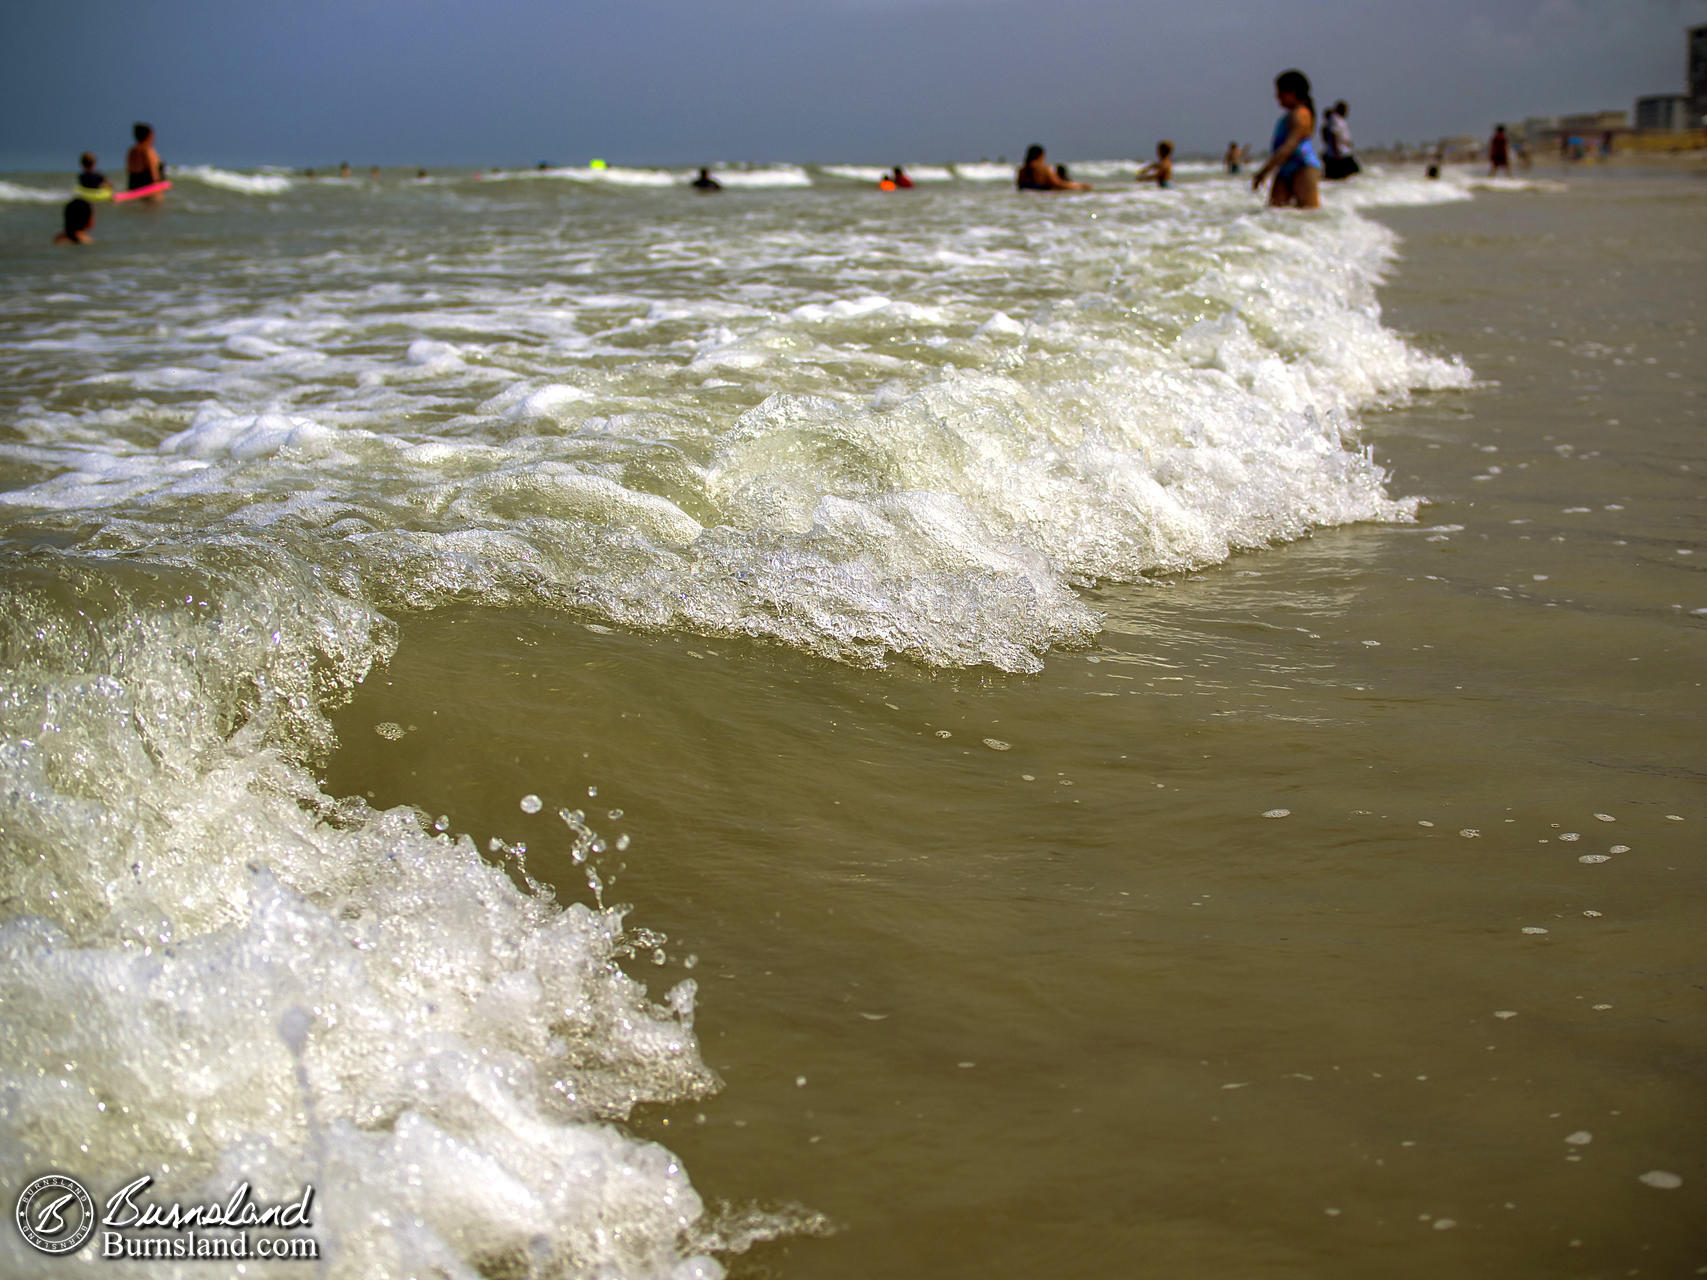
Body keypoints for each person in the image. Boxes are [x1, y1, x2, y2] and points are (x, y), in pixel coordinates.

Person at [1251, 69, 1321, 208]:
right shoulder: (1289, 115)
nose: (1277, 96)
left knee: (1308, 213)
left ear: (1292, 92)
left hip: (1303, 167)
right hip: (1285, 168)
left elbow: (1289, 146)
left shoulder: (1301, 115)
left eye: (1280, 92)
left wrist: (1264, 171)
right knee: (1274, 214)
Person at [1015, 144, 1088, 190]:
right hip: (1042, 198)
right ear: (1041, 156)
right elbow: (1059, 184)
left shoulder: (1021, 171)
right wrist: (1080, 186)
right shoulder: (1045, 170)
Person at [1320, 100, 1359, 180]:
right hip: (1339, 154)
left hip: (1344, 152)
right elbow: (1333, 135)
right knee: (1349, 173)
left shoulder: (1340, 120)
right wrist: (1336, 151)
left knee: (1348, 175)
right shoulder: (1335, 119)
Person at [125, 122, 164, 195]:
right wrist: (158, 190)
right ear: (149, 136)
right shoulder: (148, 150)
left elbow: (129, 171)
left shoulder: (131, 151)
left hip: (133, 187)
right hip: (148, 188)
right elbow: (153, 172)